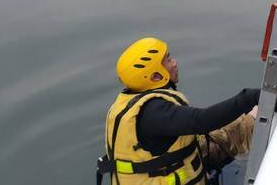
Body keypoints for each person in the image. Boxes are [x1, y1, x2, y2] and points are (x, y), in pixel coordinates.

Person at [97, 37, 260, 185]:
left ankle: (252, 117)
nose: (174, 63)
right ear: (154, 76)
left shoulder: (131, 100)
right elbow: (200, 121)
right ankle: (254, 117)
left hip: (161, 166)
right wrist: (249, 98)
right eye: (168, 60)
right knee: (226, 132)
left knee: (217, 138)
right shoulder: (154, 113)